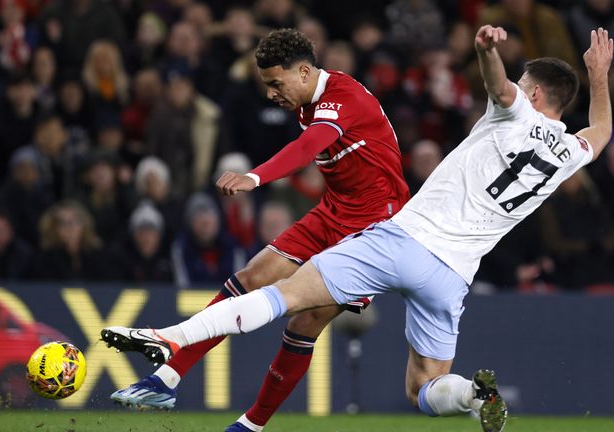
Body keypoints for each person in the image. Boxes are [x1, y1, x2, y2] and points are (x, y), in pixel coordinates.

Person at [102, 26, 614, 432]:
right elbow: (601, 131)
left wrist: (486, 50)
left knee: (289, 303)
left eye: (524, 84)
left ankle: (171, 341)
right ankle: (472, 396)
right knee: (424, 388)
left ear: (534, 92)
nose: (272, 93)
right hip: (451, 275)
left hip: (394, 232)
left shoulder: (513, 112)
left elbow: (498, 87)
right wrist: (600, 75)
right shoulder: (569, 152)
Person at [109, 28, 410, 432]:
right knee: (249, 278)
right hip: (334, 211)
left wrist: (254, 177)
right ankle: (166, 380)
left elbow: (305, 149)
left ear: (303, 72)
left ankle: (250, 426)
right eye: (266, 84)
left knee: (304, 322)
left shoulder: (343, 99)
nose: (271, 94)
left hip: (374, 228)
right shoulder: (306, 101)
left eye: (276, 83)